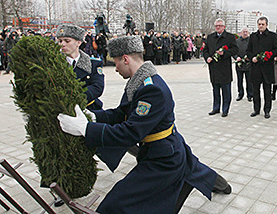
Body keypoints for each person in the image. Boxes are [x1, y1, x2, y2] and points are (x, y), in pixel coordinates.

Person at [57, 35, 231, 214]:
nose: (114, 68)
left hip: (165, 158)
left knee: (117, 203)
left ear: (125, 59)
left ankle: (217, 186)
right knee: (193, 169)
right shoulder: (138, 81)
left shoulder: (151, 88)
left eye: (115, 62)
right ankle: (220, 186)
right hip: (163, 148)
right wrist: (91, 117)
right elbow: (121, 113)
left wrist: (85, 129)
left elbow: (130, 132)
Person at [56, 24, 104, 111]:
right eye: (60, 41)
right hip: (62, 110)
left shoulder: (93, 63)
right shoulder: (55, 63)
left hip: (88, 108)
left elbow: (97, 87)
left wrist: (75, 98)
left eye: (67, 41)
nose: (62, 44)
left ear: (79, 42)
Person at [246, 16, 277, 119]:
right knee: (255, 91)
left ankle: (267, 110)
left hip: (267, 68)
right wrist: (252, 58)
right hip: (255, 68)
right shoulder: (253, 36)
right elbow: (248, 51)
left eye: (263, 24)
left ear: (266, 25)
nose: (261, 26)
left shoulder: (272, 36)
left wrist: (269, 55)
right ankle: (256, 109)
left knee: (267, 91)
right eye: (259, 24)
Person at [203, 19, 238, 117]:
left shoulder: (230, 37)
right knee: (215, 90)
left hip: (224, 68)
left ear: (224, 27)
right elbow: (205, 50)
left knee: (226, 91)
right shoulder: (210, 37)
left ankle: (225, 109)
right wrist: (207, 57)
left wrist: (224, 53)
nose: (218, 27)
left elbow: (235, 50)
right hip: (213, 67)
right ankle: (216, 108)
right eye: (216, 26)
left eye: (220, 25)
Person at [233, 28, 253, 102]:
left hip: (248, 64)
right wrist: (236, 57)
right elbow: (233, 51)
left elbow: (253, 50)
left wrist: (249, 57)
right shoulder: (237, 41)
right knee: (239, 80)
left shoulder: (251, 41)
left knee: (249, 81)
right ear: (241, 33)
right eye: (243, 32)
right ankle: (240, 94)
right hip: (239, 64)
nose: (245, 33)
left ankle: (250, 95)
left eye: (246, 32)